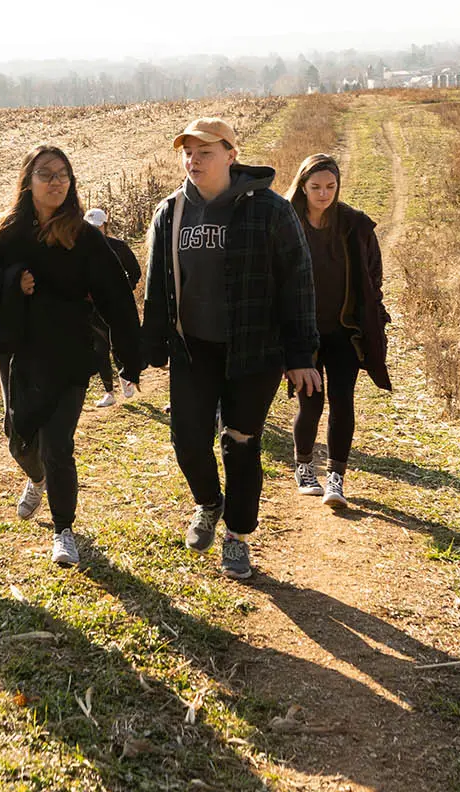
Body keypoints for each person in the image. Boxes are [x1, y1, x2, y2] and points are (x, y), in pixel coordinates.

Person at [142, 118, 320, 581]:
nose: (193, 160)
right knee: (186, 440)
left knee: (241, 444)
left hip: (254, 351)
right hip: (193, 349)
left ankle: (238, 537)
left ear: (230, 155)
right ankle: (208, 502)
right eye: (188, 152)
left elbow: (297, 283)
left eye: (204, 152)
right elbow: (158, 286)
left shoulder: (270, 211)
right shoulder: (171, 212)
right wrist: (150, 347)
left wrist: (301, 355)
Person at [0, 145, 143, 567]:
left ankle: (64, 530)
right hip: (18, 353)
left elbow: (117, 297)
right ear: (28, 181)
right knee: (19, 440)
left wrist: (130, 358)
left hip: (69, 355)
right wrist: (13, 280)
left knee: (58, 444)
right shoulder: (4, 233)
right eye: (46, 173)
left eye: (63, 174)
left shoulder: (82, 236)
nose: (56, 181)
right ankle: (37, 479)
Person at [283, 153, 392, 509]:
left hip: (344, 331)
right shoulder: (287, 222)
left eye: (331, 186)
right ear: (302, 185)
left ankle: (336, 477)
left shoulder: (353, 224)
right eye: (315, 187)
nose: (323, 193)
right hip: (304, 335)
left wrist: (372, 317)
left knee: (343, 401)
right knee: (310, 404)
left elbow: (372, 275)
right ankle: (303, 466)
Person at [84, 207, 143, 408]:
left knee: (119, 341)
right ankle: (109, 392)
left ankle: (126, 377)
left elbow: (134, 272)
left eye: (98, 227)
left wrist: (123, 292)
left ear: (105, 225)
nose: (94, 230)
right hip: (92, 309)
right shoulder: (80, 249)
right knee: (100, 348)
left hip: (115, 306)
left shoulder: (118, 247)